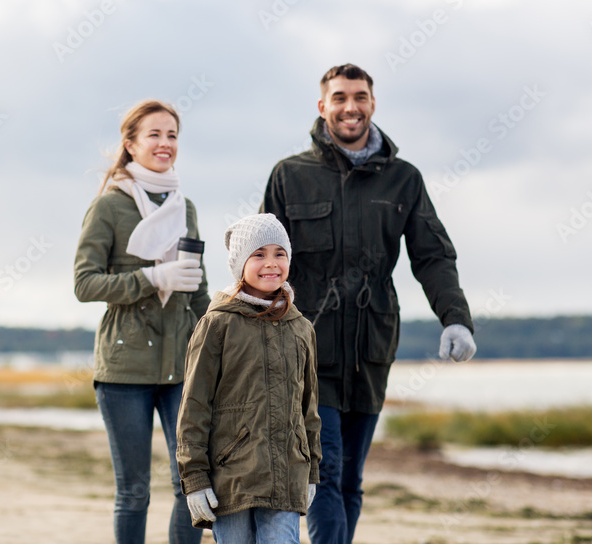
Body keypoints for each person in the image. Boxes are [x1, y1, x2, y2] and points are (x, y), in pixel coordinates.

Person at [261, 63, 477, 544]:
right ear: (323, 107)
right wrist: (252, 325)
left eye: (359, 97)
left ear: (372, 104)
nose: (350, 107)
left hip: (373, 348)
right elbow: (262, 262)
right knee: (327, 472)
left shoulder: (403, 179)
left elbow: (433, 255)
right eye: (339, 98)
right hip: (308, 348)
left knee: (351, 480)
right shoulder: (290, 176)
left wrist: (455, 320)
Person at [74, 99, 210, 544]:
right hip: (124, 368)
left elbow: (198, 289)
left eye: (172, 135)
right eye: (154, 134)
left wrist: (218, 340)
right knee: (133, 492)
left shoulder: (184, 206)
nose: (165, 143)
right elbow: (85, 283)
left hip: (181, 367)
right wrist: (151, 277)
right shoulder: (109, 207)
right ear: (130, 144)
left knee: (190, 487)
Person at [176, 213, 322, 544]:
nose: (270, 263)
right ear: (240, 264)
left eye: (279, 253)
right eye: (259, 254)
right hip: (231, 477)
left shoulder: (301, 328)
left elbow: (308, 408)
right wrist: (195, 478)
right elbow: (194, 407)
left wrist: (311, 471)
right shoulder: (217, 325)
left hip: (287, 476)